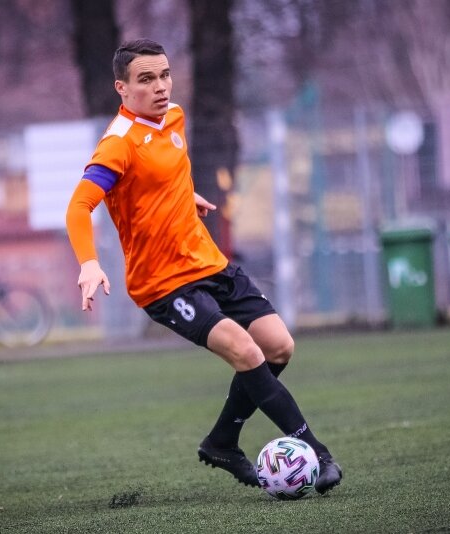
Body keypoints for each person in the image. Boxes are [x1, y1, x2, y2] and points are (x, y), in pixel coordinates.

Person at [65, 39, 342, 493]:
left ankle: (221, 442)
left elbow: (164, 171)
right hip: (163, 284)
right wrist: (89, 263)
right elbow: (79, 206)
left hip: (208, 263)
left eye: (165, 75)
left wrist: (181, 196)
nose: (160, 86)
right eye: (146, 79)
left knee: (278, 347)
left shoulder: (173, 116)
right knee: (246, 351)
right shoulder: (118, 143)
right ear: (122, 88)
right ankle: (319, 454)